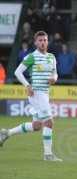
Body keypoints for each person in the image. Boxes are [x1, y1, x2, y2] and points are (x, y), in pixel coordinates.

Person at [0, 31, 62, 161]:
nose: (43, 42)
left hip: (45, 93)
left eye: (45, 40)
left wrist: (54, 79)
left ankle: (6, 133)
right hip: (36, 93)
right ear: (35, 42)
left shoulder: (52, 57)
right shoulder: (32, 56)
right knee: (49, 122)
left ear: (47, 42)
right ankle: (48, 155)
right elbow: (18, 72)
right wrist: (27, 85)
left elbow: (55, 73)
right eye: (40, 40)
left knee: (37, 125)